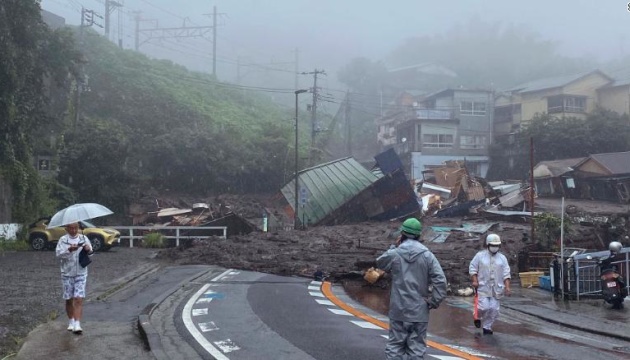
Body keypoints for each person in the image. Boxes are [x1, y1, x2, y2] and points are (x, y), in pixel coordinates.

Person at [376, 218, 447, 359]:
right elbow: (440, 281)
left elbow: (380, 263)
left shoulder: (395, 253)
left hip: (398, 309)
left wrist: (393, 247)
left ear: (402, 234)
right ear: (419, 235)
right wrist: (434, 301)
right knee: (416, 349)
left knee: (395, 346)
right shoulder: (428, 256)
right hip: (419, 311)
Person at [469, 233, 511, 335]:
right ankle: (477, 316)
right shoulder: (480, 256)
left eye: (496, 245)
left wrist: (507, 287)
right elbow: (473, 268)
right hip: (483, 287)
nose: (494, 247)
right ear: (488, 245)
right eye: (493, 245)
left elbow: (506, 273)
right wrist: (475, 280)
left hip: (496, 288)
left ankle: (487, 327)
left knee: (493, 309)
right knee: (483, 307)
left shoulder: (502, 258)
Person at [55, 222, 93, 334]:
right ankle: (71, 321)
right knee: (69, 298)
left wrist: (88, 249)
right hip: (67, 273)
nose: (73, 230)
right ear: (66, 229)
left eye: (75, 228)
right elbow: (58, 254)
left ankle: (77, 324)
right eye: (71, 228)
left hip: (81, 272)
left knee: (78, 298)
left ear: (78, 228)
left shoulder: (84, 238)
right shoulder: (63, 240)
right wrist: (69, 250)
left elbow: (91, 254)